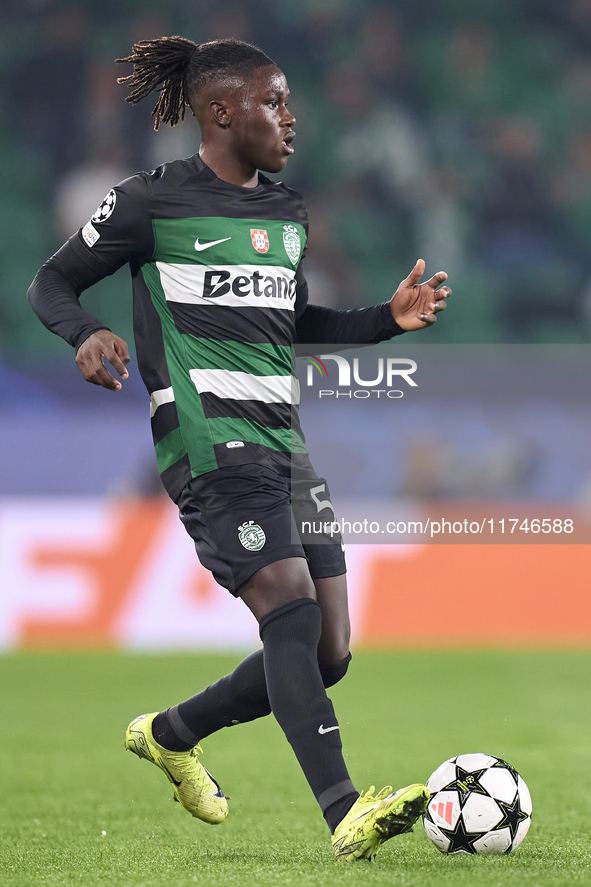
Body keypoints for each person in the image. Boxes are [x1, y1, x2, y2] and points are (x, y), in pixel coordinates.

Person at [27, 37, 450, 862]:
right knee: (287, 607)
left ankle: (169, 731)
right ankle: (343, 810)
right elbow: (51, 282)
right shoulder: (149, 202)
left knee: (329, 651)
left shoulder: (285, 211)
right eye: (275, 103)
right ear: (220, 112)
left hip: (285, 444)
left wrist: (381, 320)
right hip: (206, 439)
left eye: (288, 103)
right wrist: (86, 332)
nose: (291, 120)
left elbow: (290, 326)